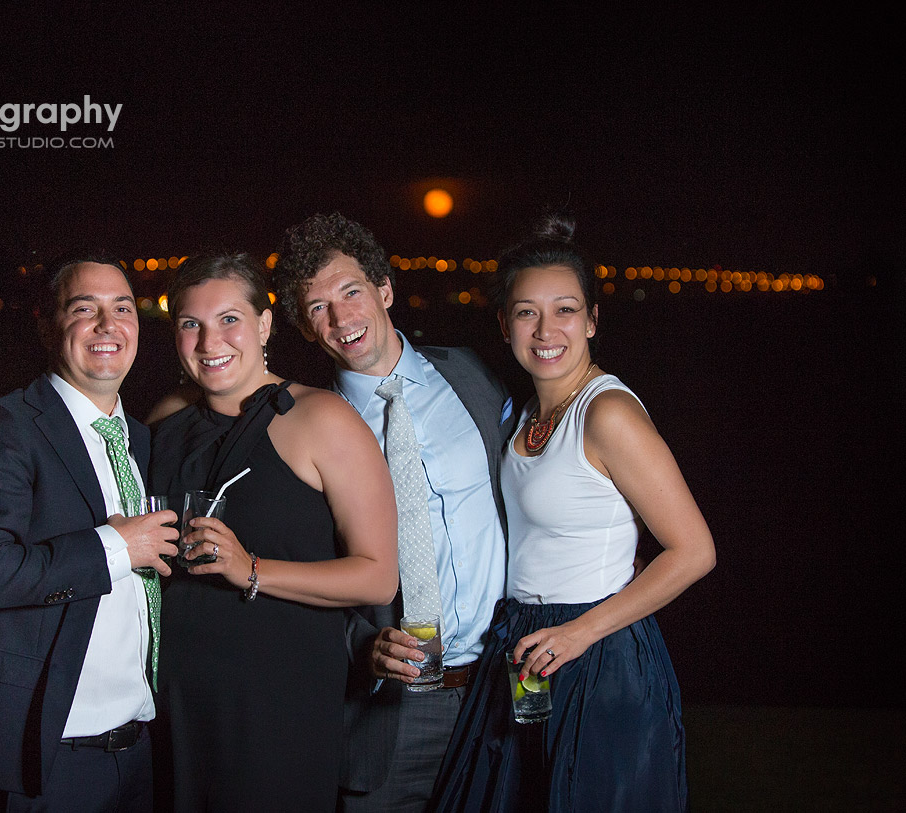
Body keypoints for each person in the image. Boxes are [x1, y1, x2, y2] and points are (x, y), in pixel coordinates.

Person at [434, 214, 716, 811]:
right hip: (522, 645)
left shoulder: (608, 413)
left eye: (564, 309)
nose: (545, 329)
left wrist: (582, 631)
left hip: (600, 653)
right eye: (526, 311)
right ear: (504, 322)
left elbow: (694, 552)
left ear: (591, 319)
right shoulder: (521, 418)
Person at [270, 213, 515, 813]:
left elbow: (536, 481)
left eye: (350, 292)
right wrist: (362, 645)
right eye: (318, 308)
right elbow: (310, 568)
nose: (341, 318)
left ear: (384, 290)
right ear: (304, 328)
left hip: (498, 688)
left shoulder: (474, 375)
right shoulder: (307, 425)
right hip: (394, 708)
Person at [0, 254, 180, 812]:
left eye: (122, 309)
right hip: (47, 755)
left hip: (138, 749)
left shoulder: (138, 436)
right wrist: (117, 546)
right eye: (84, 309)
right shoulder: (9, 425)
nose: (108, 326)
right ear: (47, 326)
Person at [147, 252, 399, 813]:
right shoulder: (164, 421)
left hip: (279, 697)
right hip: (177, 697)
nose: (211, 341)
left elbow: (378, 577)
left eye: (230, 319)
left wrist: (250, 569)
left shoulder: (321, 418)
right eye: (192, 324)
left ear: (264, 325)